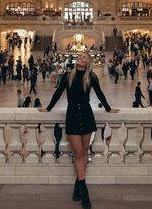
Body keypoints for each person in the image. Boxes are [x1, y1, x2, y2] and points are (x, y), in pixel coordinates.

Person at [40, 52, 119, 209]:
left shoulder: (91, 77)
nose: (80, 59)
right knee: (77, 153)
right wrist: (48, 108)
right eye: (80, 57)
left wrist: (109, 109)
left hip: (87, 114)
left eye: (84, 57)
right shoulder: (68, 76)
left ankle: (78, 186)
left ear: (88, 62)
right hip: (72, 116)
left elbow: (100, 94)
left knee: (84, 151)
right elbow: (58, 92)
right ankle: (84, 191)